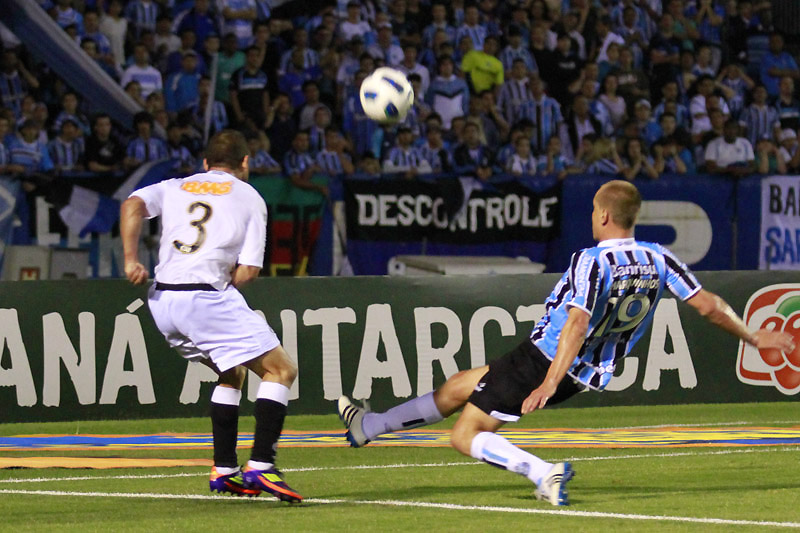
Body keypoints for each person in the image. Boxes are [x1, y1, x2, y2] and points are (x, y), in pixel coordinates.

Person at [337, 180, 795, 506]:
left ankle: (543, 472)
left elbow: (575, 324)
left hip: (546, 360)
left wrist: (547, 380)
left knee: (464, 435)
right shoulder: (659, 257)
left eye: (595, 212)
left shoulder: (592, 261)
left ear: (603, 215)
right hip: (583, 369)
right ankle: (369, 426)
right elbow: (709, 306)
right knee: (460, 386)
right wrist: (753, 336)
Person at [120, 130, 302, 502]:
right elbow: (248, 271)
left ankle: (224, 469)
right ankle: (262, 465)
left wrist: (130, 259)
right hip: (203, 297)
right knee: (281, 370)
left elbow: (130, 206)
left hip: (162, 301)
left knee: (230, 370)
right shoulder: (250, 197)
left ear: (205, 164)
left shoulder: (175, 186)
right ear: (246, 163)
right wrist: (218, 292)